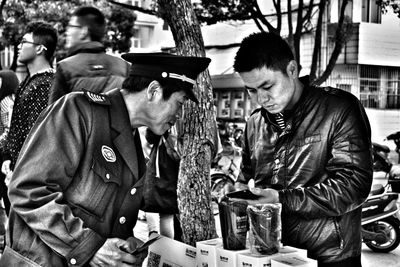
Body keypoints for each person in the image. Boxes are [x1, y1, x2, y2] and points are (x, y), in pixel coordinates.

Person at [0, 52, 210, 266]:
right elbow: (28, 189)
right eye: (180, 103)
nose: (180, 115)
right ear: (154, 91)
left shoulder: (132, 138)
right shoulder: (79, 111)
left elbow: (107, 216)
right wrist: (89, 247)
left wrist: (123, 247)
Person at [226, 32, 372, 267]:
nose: (261, 99)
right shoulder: (254, 123)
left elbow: (354, 185)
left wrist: (282, 200)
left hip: (331, 256)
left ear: (292, 70)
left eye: (267, 86)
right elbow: (246, 176)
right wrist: (241, 192)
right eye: (251, 91)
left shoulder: (339, 109)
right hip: (273, 253)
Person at [1, 21, 58, 185]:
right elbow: (15, 129)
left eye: (24, 42)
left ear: (39, 48)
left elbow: (35, 138)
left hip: (27, 178)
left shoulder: (45, 85)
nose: (19, 46)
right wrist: (6, 158)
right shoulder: (30, 81)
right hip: (15, 171)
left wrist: (19, 173)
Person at [48, 6, 130, 104]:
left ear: (84, 32)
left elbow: (54, 114)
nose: (67, 32)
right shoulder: (124, 67)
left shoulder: (65, 68)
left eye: (71, 27)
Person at [0, 70, 19, 252]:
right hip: (9, 156)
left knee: (8, 200)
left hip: (5, 156)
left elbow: (7, 130)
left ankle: (6, 241)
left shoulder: (6, 102)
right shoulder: (13, 100)